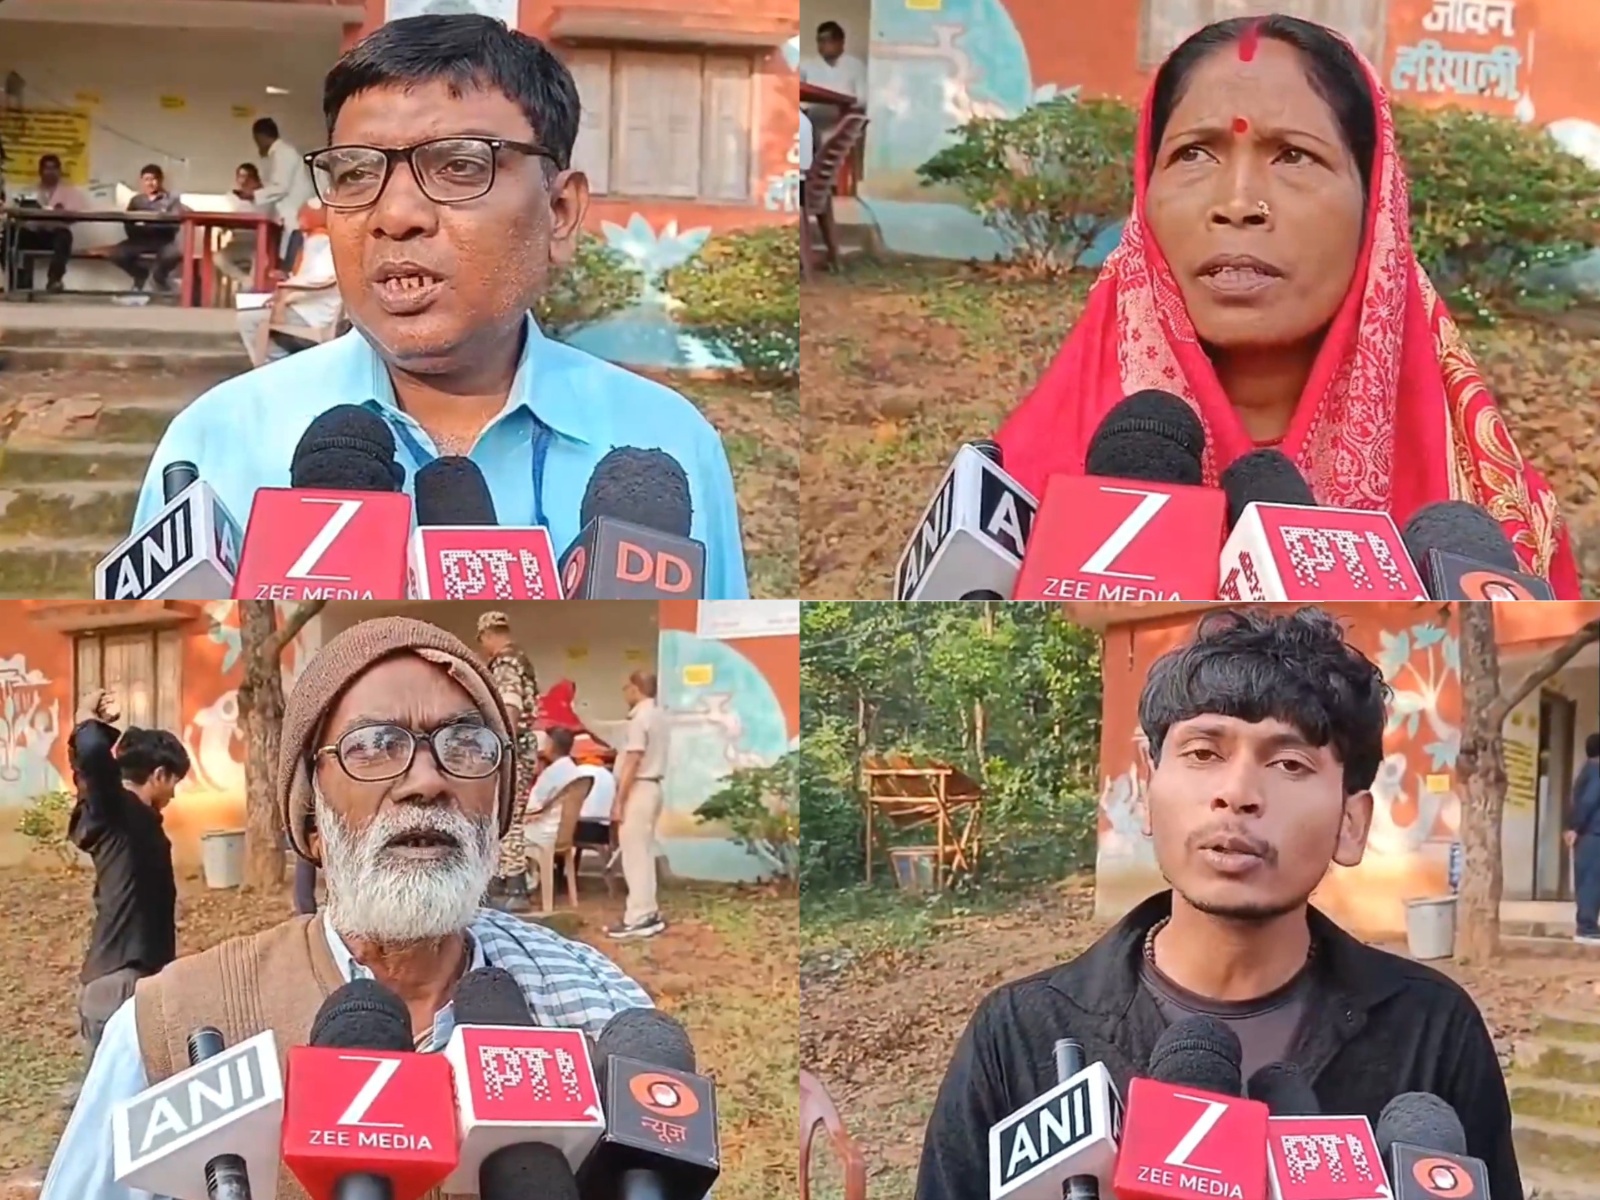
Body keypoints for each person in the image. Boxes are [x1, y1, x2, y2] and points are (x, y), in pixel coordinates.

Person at [128, 14, 749, 599]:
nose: (395, 215)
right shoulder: (216, 442)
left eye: (459, 165)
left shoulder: (668, 442)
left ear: (559, 213)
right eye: (354, 173)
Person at [914, 607, 1521, 1200]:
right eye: (1204, 753)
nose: (1237, 794)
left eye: (1289, 763)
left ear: (1351, 823)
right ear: (1147, 792)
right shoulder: (1019, 1033)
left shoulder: (1433, 1031)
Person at [40, 617, 652, 1200]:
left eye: (465, 745)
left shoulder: (600, 1005)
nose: (427, 781)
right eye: (375, 745)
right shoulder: (170, 1024)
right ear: (311, 821)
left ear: (497, 806)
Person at [993, 15, 1581, 598]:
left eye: (1293, 156)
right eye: (1195, 154)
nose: (1238, 202)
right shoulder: (1018, 496)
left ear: (1374, 203)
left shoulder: (1490, 540)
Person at [65, 690, 189, 1070]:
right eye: (174, 782)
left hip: (138, 979)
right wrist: (87, 719)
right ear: (159, 775)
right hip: (119, 982)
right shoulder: (116, 810)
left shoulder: (135, 818)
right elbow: (91, 756)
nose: (173, 793)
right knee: (112, 1095)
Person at [478, 610, 540, 913]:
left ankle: (516, 887)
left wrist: (502, 750)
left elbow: (510, 709)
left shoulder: (505, 664)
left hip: (513, 747)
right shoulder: (521, 659)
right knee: (508, 815)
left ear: (488, 635)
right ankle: (506, 882)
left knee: (507, 816)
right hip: (523, 745)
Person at [235, 201, 342, 367]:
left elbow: (322, 278)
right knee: (251, 315)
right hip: (301, 307)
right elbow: (308, 275)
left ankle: (274, 368)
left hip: (309, 314)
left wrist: (285, 292)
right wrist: (287, 280)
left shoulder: (326, 243)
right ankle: (280, 366)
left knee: (248, 319)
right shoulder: (313, 241)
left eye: (304, 215)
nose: (300, 219)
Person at [610, 670, 669, 939]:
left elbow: (633, 761)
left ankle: (639, 916)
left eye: (627, 687)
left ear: (636, 688)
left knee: (634, 855)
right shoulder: (658, 715)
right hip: (653, 787)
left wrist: (619, 801)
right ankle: (648, 911)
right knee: (643, 852)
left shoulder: (639, 719)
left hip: (639, 787)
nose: (625, 692)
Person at [10, 154, 88, 292]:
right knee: (10, 234)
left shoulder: (70, 191)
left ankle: (54, 279)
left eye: (54, 168)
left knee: (64, 236)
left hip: (55, 235)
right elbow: (16, 212)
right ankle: (17, 280)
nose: (50, 172)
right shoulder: (29, 191)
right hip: (33, 234)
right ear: (40, 171)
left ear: (59, 171)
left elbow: (76, 215)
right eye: (47, 168)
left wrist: (61, 213)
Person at [108, 163, 184, 299]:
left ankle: (158, 277)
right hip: (140, 240)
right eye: (147, 179)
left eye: (153, 179)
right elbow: (128, 223)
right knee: (116, 253)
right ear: (142, 181)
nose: (150, 183)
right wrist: (138, 232)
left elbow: (175, 222)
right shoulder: (136, 201)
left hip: (163, 240)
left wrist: (152, 225)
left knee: (174, 253)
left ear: (160, 180)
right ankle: (140, 274)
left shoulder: (172, 200)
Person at [250, 116, 316, 267]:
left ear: (260, 137)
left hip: (294, 218)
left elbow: (281, 187)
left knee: (289, 264)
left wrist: (254, 194)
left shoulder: (284, 153)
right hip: (288, 219)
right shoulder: (277, 154)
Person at [1566, 732, 1600, 945]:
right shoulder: (1596, 772)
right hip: (1592, 835)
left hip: (1589, 835)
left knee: (1589, 881)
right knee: (1590, 883)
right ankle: (1586, 928)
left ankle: (1588, 926)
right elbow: (1588, 802)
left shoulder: (1587, 771)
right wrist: (1575, 827)